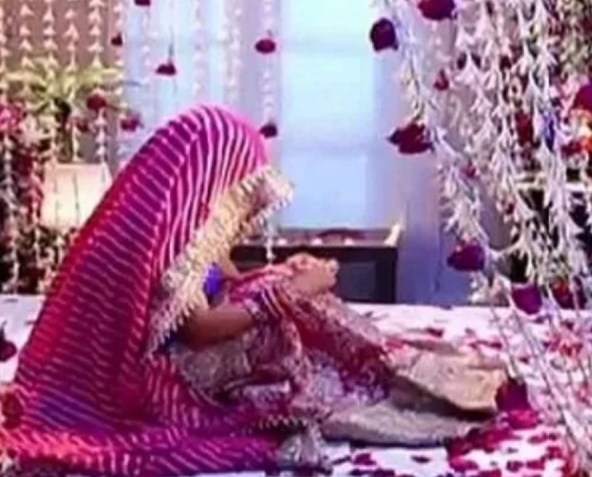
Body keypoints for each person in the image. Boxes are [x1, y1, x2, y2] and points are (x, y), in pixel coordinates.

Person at [0, 105, 507, 476]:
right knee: (285, 315)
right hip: (161, 379)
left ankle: (402, 371)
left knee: (279, 288)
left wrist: (286, 272)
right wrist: (291, 293)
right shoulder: (161, 239)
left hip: (201, 347)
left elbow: (227, 282)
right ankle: (398, 379)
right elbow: (197, 329)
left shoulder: (193, 222)